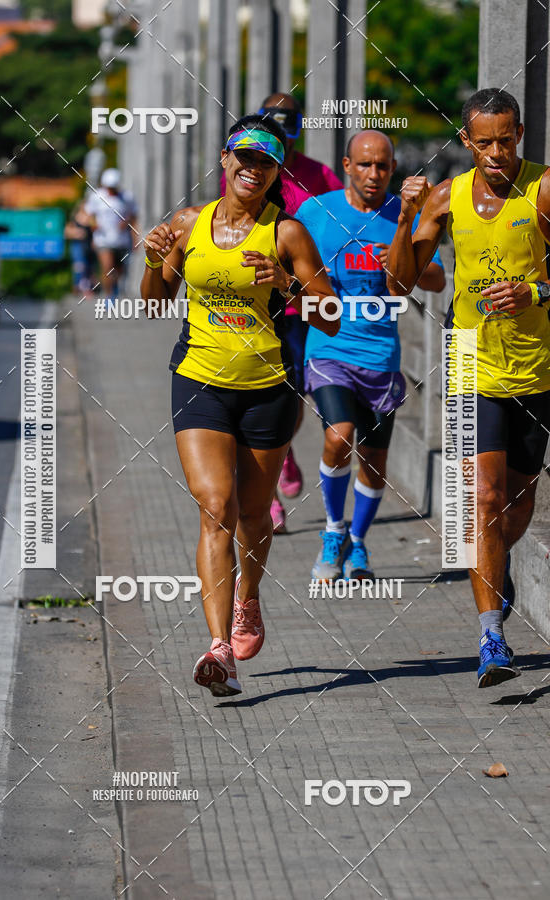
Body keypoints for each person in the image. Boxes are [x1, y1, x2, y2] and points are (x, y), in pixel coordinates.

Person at [141, 114, 338, 697]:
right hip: (198, 378)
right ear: (225, 160)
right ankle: (219, 649)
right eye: (244, 157)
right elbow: (154, 304)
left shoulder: (288, 234)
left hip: (268, 387)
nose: (253, 169)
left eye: (266, 162)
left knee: (255, 515)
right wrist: (156, 260)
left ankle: (249, 597)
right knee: (215, 507)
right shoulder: (188, 223)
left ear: (278, 171)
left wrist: (288, 282)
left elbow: (329, 313)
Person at [386, 88, 550, 688]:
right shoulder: (444, 198)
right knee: (482, 497)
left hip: (537, 367)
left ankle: (493, 567)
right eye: (484, 143)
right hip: (467, 361)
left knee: (519, 497)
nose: (497, 153)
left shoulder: (543, 188)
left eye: (506, 140)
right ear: (466, 142)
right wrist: (405, 219)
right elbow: (401, 282)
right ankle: (491, 636)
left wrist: (535, 293)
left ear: (521, 134)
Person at [295, 130, 445, 582]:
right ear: (346, 165)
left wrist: (400, 259)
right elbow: (287, 265)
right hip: (329, 347)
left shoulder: (404, 214)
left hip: (382, 356)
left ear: (393, 169)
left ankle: (358, 543)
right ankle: (332, 529)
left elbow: (435, 279)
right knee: (339, 437)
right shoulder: (316, 212)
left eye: (382, 166)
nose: (374, 174)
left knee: (374, 462)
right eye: (364, 164)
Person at [221, 93, 344, 533]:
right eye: (275, 123)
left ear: (299, 128)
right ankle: (267, 496)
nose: (283, 133)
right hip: (254, 300)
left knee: (294, 398)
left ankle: (284, 449)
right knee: (254, 394)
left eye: (290, 124)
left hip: (298, 297)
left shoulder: (318, 174)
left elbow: (339, 223)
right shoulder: (245, 169)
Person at [85, 168, 137, 298]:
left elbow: (134, 216)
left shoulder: (127, 197)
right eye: (109, 187)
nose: (111, 189)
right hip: (102, 239)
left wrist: (132, 233)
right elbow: (90, 215)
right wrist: (94, 226)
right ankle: (109, 295)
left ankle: (115, 287)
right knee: (107, 267)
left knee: (119, 270)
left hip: (121, 240)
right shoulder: (97, 196)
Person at [64, 200, 95, 296]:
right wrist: (77, 233)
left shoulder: (92, 218)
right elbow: (66, 232)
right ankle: (79, 287)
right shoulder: (75, 218)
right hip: (77, 245)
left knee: (89, 267)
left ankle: (84, 287)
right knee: (79, 266)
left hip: (89, 246)